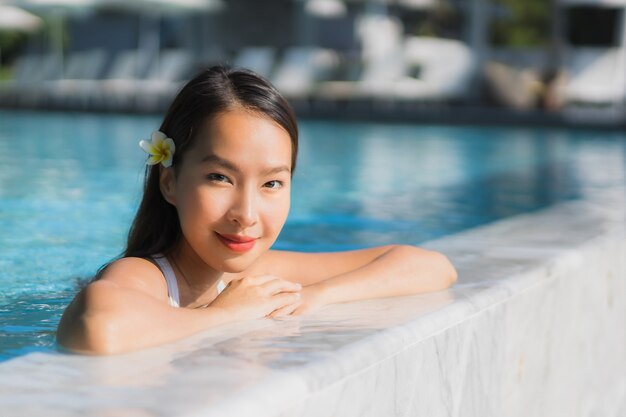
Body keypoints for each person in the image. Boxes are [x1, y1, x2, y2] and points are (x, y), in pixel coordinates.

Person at [56, 65, 457, 355]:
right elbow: (98, 327)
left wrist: (316, 296)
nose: (246, 214)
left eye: (271, 184)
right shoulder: (150, 275)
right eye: (220, 177)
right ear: (170, 182)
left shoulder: (257, 273)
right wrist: (225, 315)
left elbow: (431, 266)